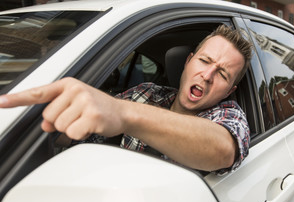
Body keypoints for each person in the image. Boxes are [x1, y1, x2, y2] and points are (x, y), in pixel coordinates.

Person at [0, 25, 252, 173]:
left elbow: (222, 149)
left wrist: (124, 114)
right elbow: (86, 132)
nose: (207, 75)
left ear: (229, 90)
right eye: (204, 61)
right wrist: (50, 126)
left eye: (222, 73)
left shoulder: (228, 116)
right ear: (188, 62)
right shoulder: (147, 93)